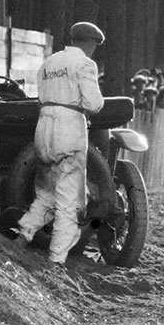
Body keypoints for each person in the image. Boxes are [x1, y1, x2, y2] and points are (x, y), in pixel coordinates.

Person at [16, 21, 107, 265]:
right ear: (90, 43)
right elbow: (93, 104)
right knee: (70, 202)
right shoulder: (86, 64)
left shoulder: (49, 63)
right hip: (69, 130)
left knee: (46, 193)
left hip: (43, 129)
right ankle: (56, 260)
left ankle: (22, 236)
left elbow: (41, 99)